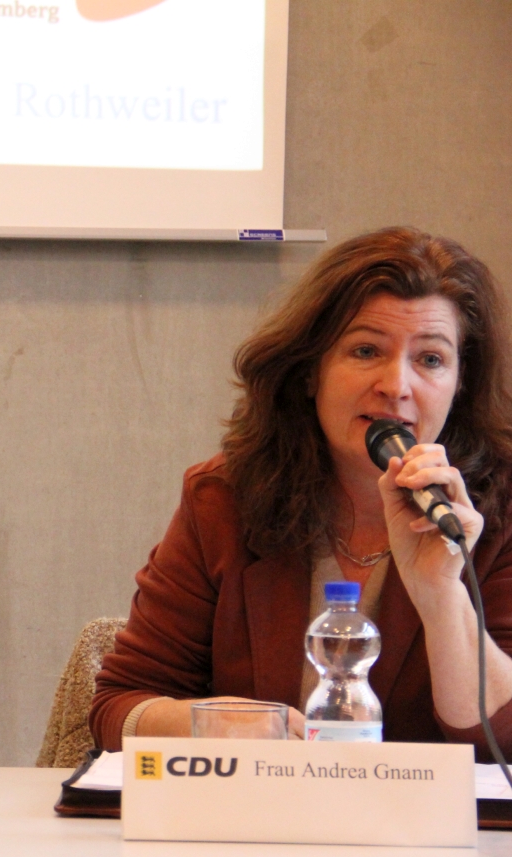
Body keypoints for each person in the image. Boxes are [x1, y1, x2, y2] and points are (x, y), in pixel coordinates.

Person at [90, 226, 512, 759]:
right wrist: (216, 725)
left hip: (425, 814)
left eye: (430, 359)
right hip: (261, 808)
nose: (396, 386)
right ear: (310, 371)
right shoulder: (225, 500)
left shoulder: (497, 512)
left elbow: (502, 745)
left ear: (460, 383)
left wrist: (442, 595)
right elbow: (118, 708)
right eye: (366, 350)